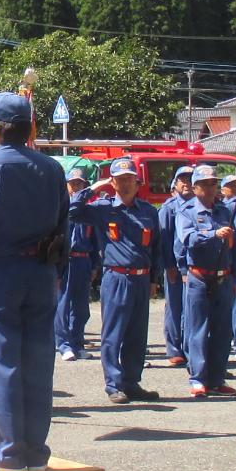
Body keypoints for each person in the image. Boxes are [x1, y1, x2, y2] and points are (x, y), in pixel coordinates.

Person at [0, 92, 68, 471]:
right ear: (30, 128)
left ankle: (7, 453)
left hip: (0, 272)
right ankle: (36, 452)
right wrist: (57, 273)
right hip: (41, 271)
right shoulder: (52, 169)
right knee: (38, 361)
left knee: (1, 363)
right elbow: (62, 225)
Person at [73, 157, 160, 402]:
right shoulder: (103, 208)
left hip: (141, 280)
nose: (125, 184)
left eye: (129, 179)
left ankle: (132, 382)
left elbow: (156, 247)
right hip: (116, 278)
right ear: (112, 182)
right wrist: (93, 188)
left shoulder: (148, 211)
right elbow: (72, 211)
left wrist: (154, 279)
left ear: (137, 181)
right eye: (120, 180)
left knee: (137, 334)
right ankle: (113, 385)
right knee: (113, 334)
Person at [175, 167, 236, 398]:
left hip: (223, 276)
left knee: (222, 331)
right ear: (195, 188)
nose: (211, 188)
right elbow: (188, 239)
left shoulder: (224, 210)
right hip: (199, 277)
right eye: (205, 184)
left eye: (214, 183)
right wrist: (213, 234)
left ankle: (217, 378)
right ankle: (198, 378)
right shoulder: (187, 211)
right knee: (198, 330)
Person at [54, 164, 95, 361]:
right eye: (73, 183)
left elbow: (95, 241)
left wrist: (94, 265)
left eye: (80, 183)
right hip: (66, 261)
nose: (76, 187)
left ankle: (78, 342)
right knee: (63, 303)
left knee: (81, 307)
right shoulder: (61, 209)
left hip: (83, 261)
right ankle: (63, 344)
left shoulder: (89, 211)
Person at [156, 164, 195, 366]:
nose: (187, 183)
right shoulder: (169, 208)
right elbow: (164, 239)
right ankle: (174, 348)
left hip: (195, 267)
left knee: (192, 309)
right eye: (183, 179)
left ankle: (191, 347)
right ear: (176, 184)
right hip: (175, 267)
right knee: (175, 306)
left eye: (190, 179)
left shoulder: (200, 206)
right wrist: (169, 266)